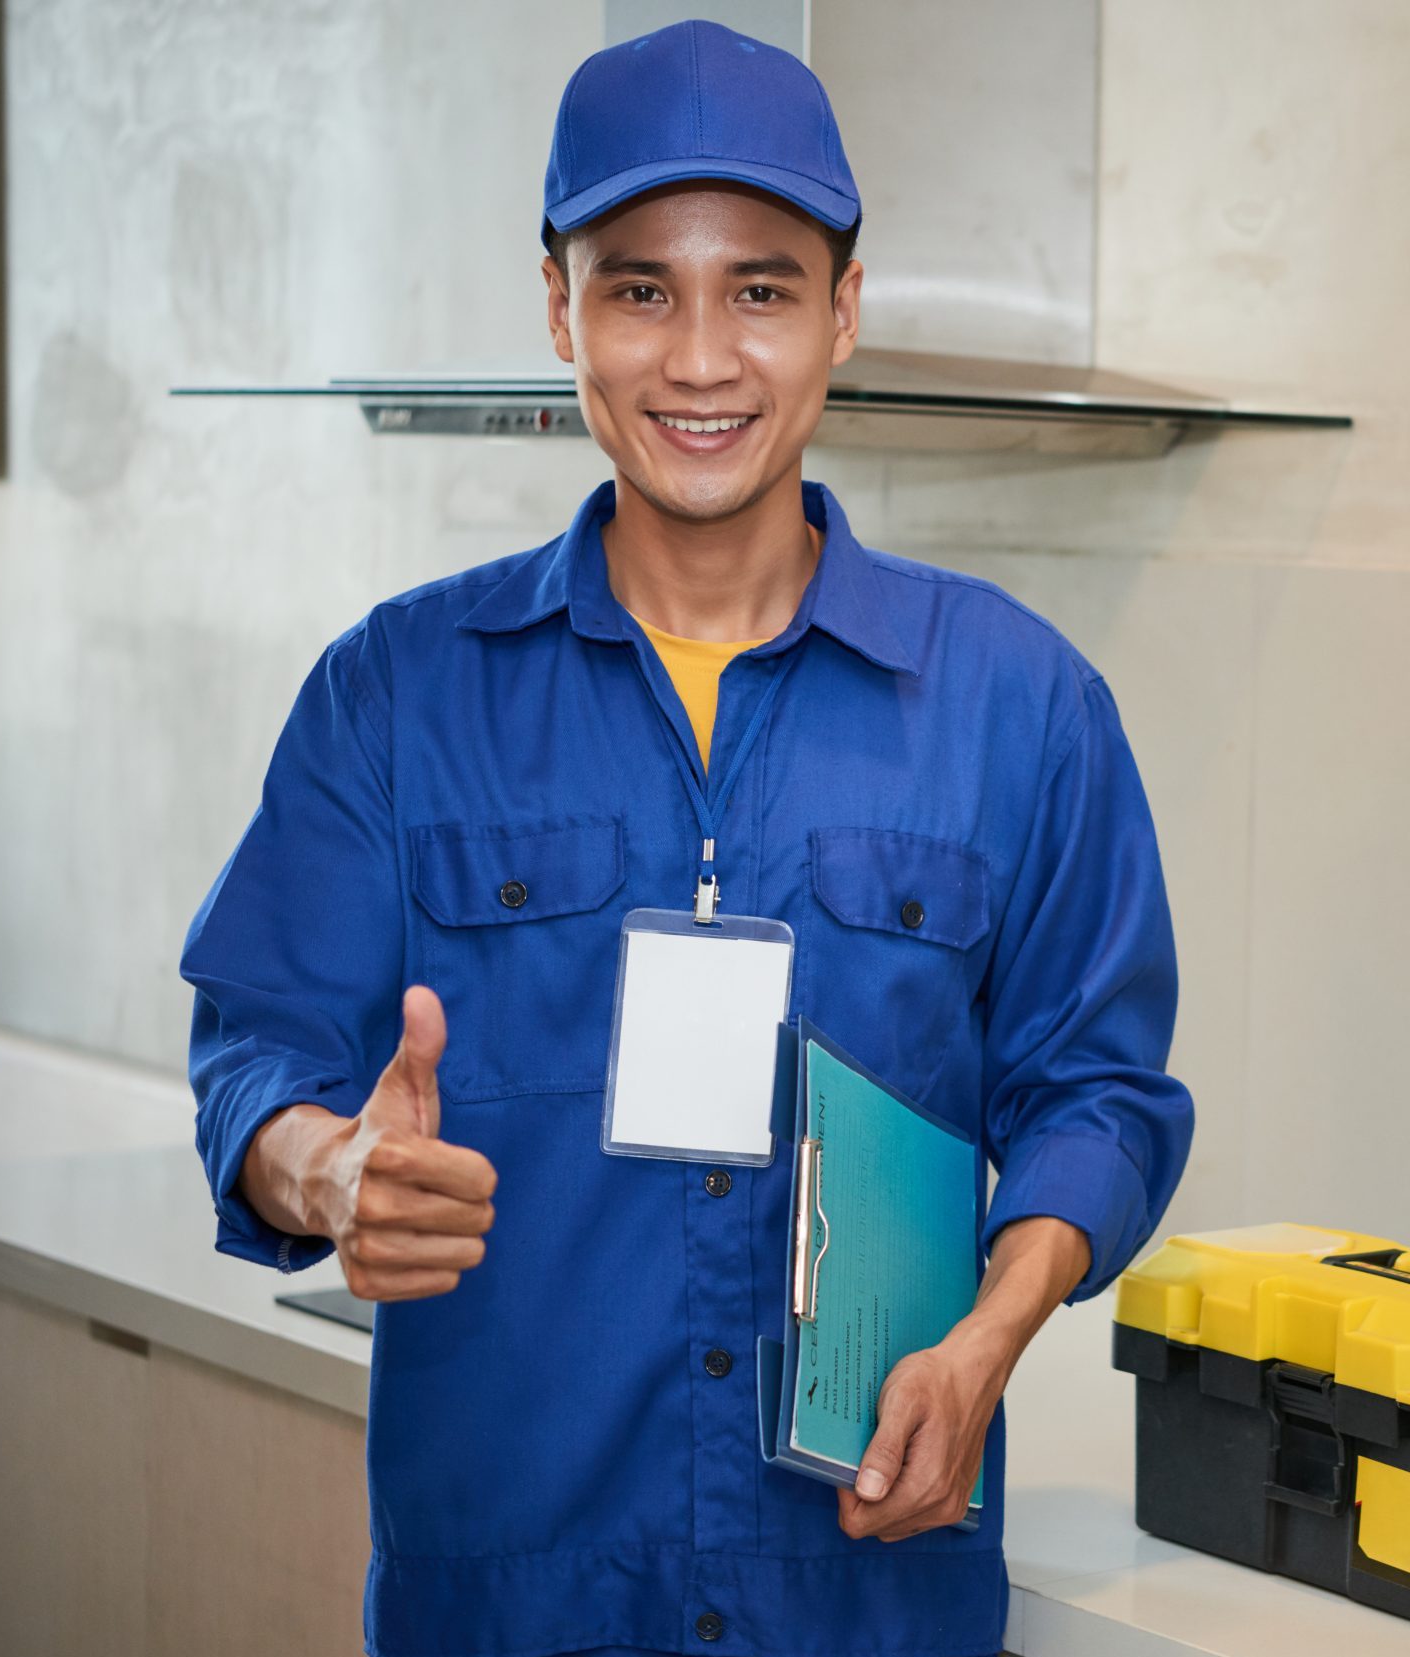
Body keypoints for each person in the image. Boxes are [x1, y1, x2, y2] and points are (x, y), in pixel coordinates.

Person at [179, 20, 1193, 1657]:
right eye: (641, 287)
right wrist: (329, 1167)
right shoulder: (397, 694)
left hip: (870, 1602)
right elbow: (251, 1058)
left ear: (844, 309)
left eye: (764, 289)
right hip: (506, 1606)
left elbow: (1100, 1094)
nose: (702, 359)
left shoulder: (1024, 706)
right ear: (559, 305)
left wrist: (993, 1334)